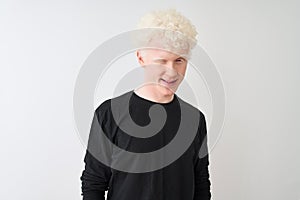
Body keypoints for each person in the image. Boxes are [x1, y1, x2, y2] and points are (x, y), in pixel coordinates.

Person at [80, 9, 211, 200]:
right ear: (141, 58)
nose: (172, 71)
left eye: (179, 60)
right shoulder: (109, 113)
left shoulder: (195, 119)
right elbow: (93, 183)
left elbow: (201, 184)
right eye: (162, 60)